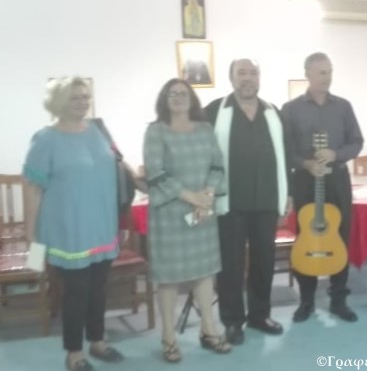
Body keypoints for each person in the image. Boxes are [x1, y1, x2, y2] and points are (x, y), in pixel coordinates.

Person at [23, 77, 124, 371]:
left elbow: (117, 164)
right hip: (69, 231)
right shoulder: (46, 139)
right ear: (58, 102)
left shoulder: (98, 130)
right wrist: (31, 236)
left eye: (85, 96)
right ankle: (74, 353)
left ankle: (98, 341)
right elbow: (32, 189)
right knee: (76, 294)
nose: (82, 102)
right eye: (74, 97)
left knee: (99, 290)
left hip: (102, 226)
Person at [143, 78, 231, 362]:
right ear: (164, 99)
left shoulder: (205, 130)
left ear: (192, 99)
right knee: (168, 279)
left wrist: (208, 192)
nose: (178, 98)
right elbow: (155, 172)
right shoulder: (156, 131)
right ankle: (169, 337)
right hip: (169, 216)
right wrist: (191, 196)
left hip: (202, 213)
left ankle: (209, 330)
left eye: (183, 93)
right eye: (172, 94)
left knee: (205, 273)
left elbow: (217, 165)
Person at [205, 58, 291, 345]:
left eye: (252, 73)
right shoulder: (215, 111)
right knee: (230, 264)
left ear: (259, 78)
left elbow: (286, 155)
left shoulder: (273, 112)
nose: (247, 78)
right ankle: (232, 321)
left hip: (266, 199)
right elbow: (201, 151)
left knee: (264, 261)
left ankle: (259, 315)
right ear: (231, 78)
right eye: (241, 73)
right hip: (229, 202)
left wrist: (288, 194)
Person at [281, 52, 364, 323]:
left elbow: (357, 142)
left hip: (337, 179)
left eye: (329, 72)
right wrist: (306, 164)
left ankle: (339, 299)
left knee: (340, 236)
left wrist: (335, 154)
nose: (327, 77)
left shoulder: (343, 107)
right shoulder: (291, 109)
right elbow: (285, 150)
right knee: (308, 235)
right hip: (306, 181)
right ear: (307, 74)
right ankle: (306, 301)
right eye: (321, 72)